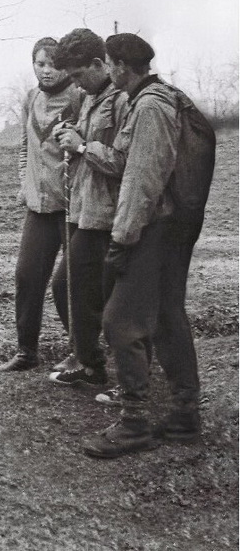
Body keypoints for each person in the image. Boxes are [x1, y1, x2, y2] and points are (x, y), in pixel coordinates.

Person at [83, 33, 213, 458]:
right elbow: (125, 161)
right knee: (166, 317)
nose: (106, 69)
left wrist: (122, 237)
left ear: (120, 65)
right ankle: (183, 415)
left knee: (120, 322)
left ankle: (135, 424)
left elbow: (142, 182)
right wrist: (88, 148)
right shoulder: (150, 100)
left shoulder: (152, 106)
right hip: (169, 228)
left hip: (155, 229)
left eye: (108, 63)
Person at [0, 38, 82, 373]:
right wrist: (25, 183)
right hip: (39, 206)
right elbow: (23, 148)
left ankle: (82, 353)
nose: (46, 71)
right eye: (40, 63)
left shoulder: (79, 97)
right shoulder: (31, 98)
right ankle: (26, 352)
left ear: (66, 67)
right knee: (27, 276)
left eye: (54, 64)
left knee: (70, 284)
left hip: (72, 206)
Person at [46, 29, 128, 389]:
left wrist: (81, 147)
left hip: (109, 217)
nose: (76, 83)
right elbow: (86, 137)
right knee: (71, 288)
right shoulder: (91, 96)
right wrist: (69, 135)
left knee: (98, 294)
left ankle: (103, 366)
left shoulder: (123, 100)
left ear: (99, 64)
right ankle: (89, 359)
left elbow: (124, 162)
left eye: (79, 74)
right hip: (84, 210)